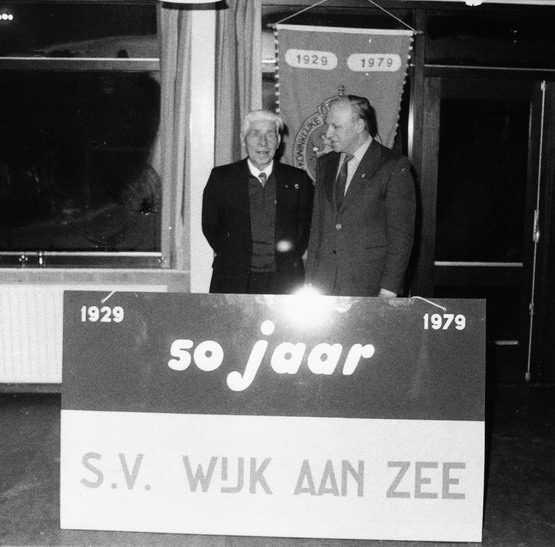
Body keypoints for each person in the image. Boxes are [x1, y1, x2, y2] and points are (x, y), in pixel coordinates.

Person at [306, 95, 416, 297]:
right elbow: (317, 229)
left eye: (336, 127)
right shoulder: (325, 164)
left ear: (359, 126)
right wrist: (309, 281)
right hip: (323, 285)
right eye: (327, 125)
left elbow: (401, 236)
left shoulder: (393, 166)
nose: (328, 134)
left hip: (368, 286)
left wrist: (389, 290)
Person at [202, 110, 313, 294]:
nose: (263, 142)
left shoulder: (298, 180)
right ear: (243, 138)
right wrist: (236, 256)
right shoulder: (222, 178)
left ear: (278, 141)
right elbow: (211, 226)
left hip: (285, 281)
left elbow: (305, 230)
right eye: (255, 134)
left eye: (270, 134)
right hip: (233, 279)